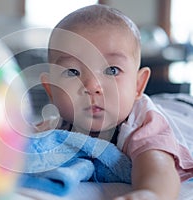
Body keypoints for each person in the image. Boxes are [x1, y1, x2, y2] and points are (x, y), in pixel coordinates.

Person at [36, 4, 193, 200]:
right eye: (72, 72)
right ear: (50, 89)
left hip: (184, 111)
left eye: (112, 70)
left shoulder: (142, 122)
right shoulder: (56, 126)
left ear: (138, 85)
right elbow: (27, 143)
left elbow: (158, 166)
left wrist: (150, 193)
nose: (92, 86)